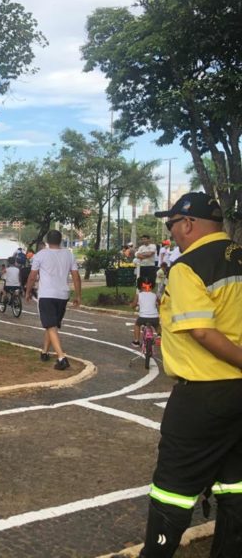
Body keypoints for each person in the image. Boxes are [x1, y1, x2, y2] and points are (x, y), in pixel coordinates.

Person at [136, 192, 242, 557]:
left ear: (189, 224)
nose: (172, 234)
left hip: (203, 394)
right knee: (235, 482)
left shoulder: (189, 266)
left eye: (173, 226)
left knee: (173, 487)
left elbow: (201, 331)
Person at [24, 229, 82, 371]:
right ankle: (44, 352)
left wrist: (27, 291)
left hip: (46, 295)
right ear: (61, 240)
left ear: (47, 241)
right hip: (63, 295)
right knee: (52, 325)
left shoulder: (40, 255)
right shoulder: (69, 254)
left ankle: (61, 358)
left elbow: (32, 276)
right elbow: (76, 276)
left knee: (50, 325)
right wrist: (78, 295)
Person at [130, 278, 160, 347]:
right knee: (157, 325)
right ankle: (159, 336)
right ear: (152, 285)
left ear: (140, 285)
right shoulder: (155, 295)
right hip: (154, 317)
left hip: (142, 317)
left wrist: (132, 305)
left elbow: (133, 305)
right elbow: (159, 303)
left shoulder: (138, 295)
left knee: (137, 325)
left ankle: (136, 341)